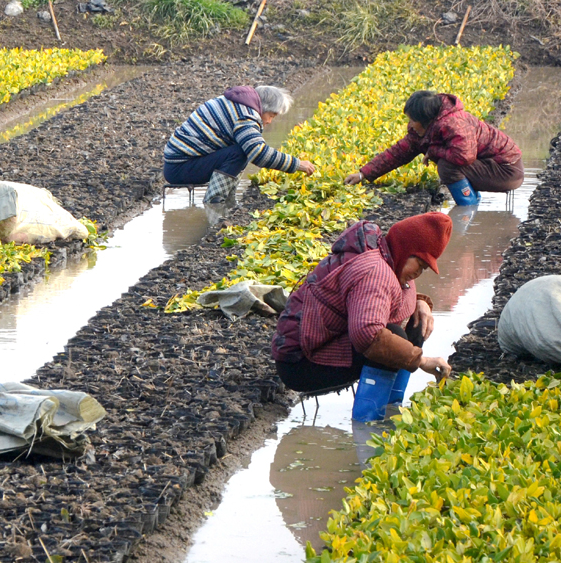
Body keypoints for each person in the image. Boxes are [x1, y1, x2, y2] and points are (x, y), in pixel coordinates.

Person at [270, 212, 453, 422]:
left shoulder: (386, 255)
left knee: (416, 325)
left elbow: (387, 298)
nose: (418, 274)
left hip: (324, 342)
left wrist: (422, 303)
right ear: (405, 248)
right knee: (390, 338)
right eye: (419, 265)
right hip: (300, 363)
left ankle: (392, 406)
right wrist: (421, 360)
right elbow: (368, 334)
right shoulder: (375, 270)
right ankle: (368, 426)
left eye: (424, 269)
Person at [344, 90, 524, 206]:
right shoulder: (425, 128)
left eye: (412, 120)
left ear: (425, 119)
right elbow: (398, 152)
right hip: (488, 167)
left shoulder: (454, 124)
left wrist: (432, 151)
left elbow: (465, 157)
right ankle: (472, 201)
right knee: (447, 164)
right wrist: (363, 174)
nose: (410, 125)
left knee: (447, 167)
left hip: (507, 171)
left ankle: (468, 210)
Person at [164, 85, 316, 206]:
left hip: (181, 163)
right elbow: (259, 154)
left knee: (241, 148)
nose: (269, 121)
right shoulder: (246, 115)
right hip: (179, 167)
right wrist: (296, 164)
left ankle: (228, 201)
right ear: (264, 107)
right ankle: (214, 203)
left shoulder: (240, 104)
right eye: (271, 116)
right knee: (241, 152)